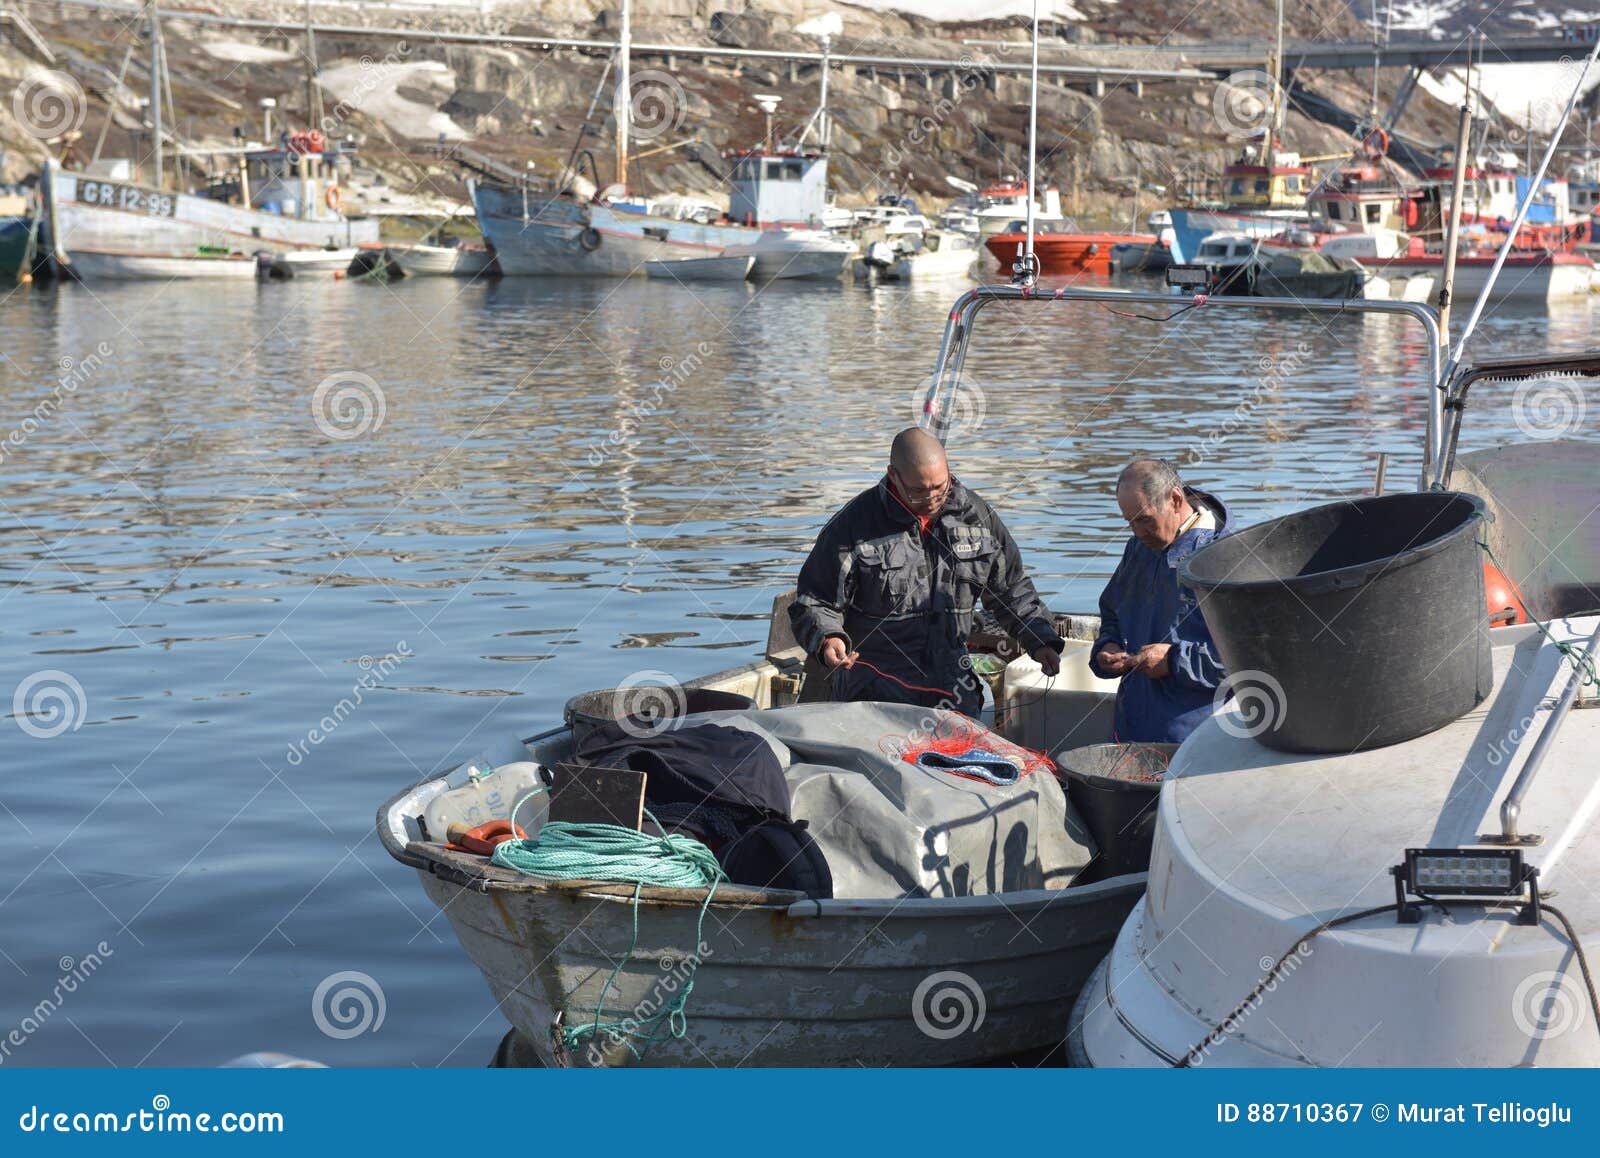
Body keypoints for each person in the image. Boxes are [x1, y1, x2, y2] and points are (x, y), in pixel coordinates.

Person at [789, 427, 1063, 718]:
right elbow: (814, 601)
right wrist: (829, 638)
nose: (932, 498)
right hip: (872, 691)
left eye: (939, 487)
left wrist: (1040, 640)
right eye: (919, 490)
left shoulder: (977, 518)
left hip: (953, 686)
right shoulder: (853, 526)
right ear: (894, 475)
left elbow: (1011, 590)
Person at [1090, 459, 1235, 743]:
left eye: (1144, 520)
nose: (1137, 532)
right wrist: (1107, 646)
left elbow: (1248, 657)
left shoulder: (1227, 556)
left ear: (1176, 500)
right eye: (1129, 522)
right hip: (1131, 731)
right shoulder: (1138, 547)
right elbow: (1112, 613)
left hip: (1198, 741)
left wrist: (1174, 661)